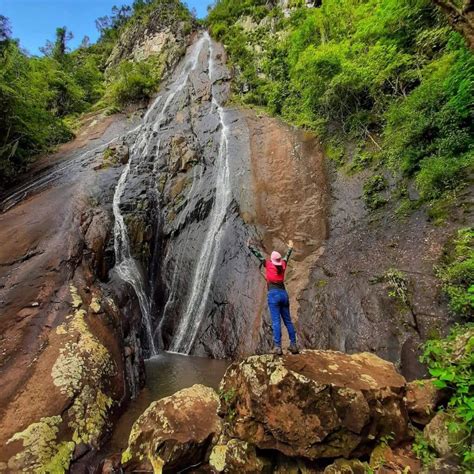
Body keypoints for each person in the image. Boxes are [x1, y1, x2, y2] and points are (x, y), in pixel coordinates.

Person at [247, 238, 299, 355]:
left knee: (276, 322)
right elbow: (287, 256)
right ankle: (294, 345)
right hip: (283, 294)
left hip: (273, 295)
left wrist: (250, 247)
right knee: (288, 321)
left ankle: (277, 347)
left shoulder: (268, 264)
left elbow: (258, 255)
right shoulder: (283, 265)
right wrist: (290, 247)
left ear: (272, 260)